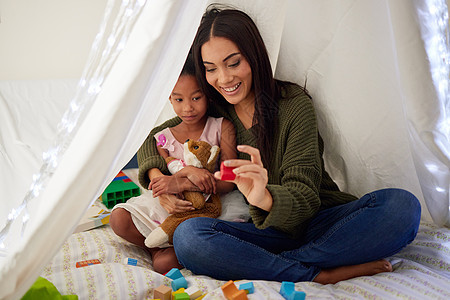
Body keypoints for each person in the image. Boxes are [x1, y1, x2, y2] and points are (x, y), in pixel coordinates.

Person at [138, 7, 422, 284]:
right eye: (211, 69)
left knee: (401, 208)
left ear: (253, 56)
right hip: (262, 233)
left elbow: (307, 197)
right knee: (190, 237)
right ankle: (319, 272)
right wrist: (159, 178)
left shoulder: (293, 104)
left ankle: (277, 263)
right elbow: (153, 138)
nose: (223, 79)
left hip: (319, 221)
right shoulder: (213, 112)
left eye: (233, 63)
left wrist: (263, 196)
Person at [109, 51, 237, 274]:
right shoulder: (163, 136)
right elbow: (161, 183)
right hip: (171, 208)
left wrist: (186, 182)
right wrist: (178, 178)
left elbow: (229, 182)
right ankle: (158, 247)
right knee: (118, 218)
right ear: (169, 98)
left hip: (209, 207)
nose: (187, 107)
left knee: (164, 264)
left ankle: (167, 250)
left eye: (196, 98)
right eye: (178, 99)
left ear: (207, 95)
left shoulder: (221, 127)